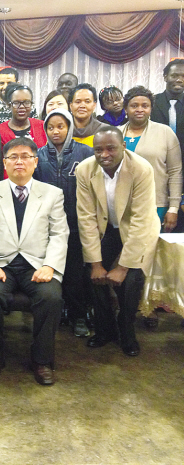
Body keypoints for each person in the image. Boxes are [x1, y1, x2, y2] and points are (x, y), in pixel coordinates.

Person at [0, 137, 69, 386]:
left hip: (37, 265)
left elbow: (60, 234)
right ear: (4, 162)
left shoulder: (52, 194)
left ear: (35, 161)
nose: (19, 162)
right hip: (1, 264)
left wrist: (50, 266)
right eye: (13, 157)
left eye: (25, 156)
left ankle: (41, 360)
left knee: (51, 296)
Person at [76, 127, 161, 357]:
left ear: (123, 146)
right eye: (98, 149)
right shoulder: (85, 169)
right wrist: (96, 264)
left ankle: (127, 330)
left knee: (132, 279)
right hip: (106, 228)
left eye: (111, 148)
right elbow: (86, 218)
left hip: (137, 230)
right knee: (91, 275)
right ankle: (105, 329)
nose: (104, 154)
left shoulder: (141, 169)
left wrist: (122, 267)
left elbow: (141, 221)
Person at [120, 86, 183, 329]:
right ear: (126, 108)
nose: (139, 109)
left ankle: (149, 308)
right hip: (124, 207)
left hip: (156, 205)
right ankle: (129, 305)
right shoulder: (116, 133)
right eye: (134, 105)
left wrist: (174, 207)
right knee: (127, 257)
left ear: (150, 108)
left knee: (150, 259)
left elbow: (176, 171)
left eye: (144, 105)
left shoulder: (165, 133)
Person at [34, 109, 94, 337]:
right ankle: (57, 314)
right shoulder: (38, 155)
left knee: (75, 275)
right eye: (50, 127)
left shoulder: (85, 153)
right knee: (51, 272)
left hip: (77, 225)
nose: (55, 131)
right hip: (48, 227)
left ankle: (78, 316)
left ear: (69, 127)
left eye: (60, 126)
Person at [0, 84, 47, 176]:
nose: (22, 106)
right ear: (9, 105)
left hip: (40, 182)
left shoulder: (42, 126)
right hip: (9, 184)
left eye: (26, 102)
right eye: (16, 103)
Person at [152, 58, 184, 154]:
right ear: (165, 77)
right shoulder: (152, 102)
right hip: (158, 156)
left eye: (183, 76)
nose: (179, 80)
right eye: (174, 76)